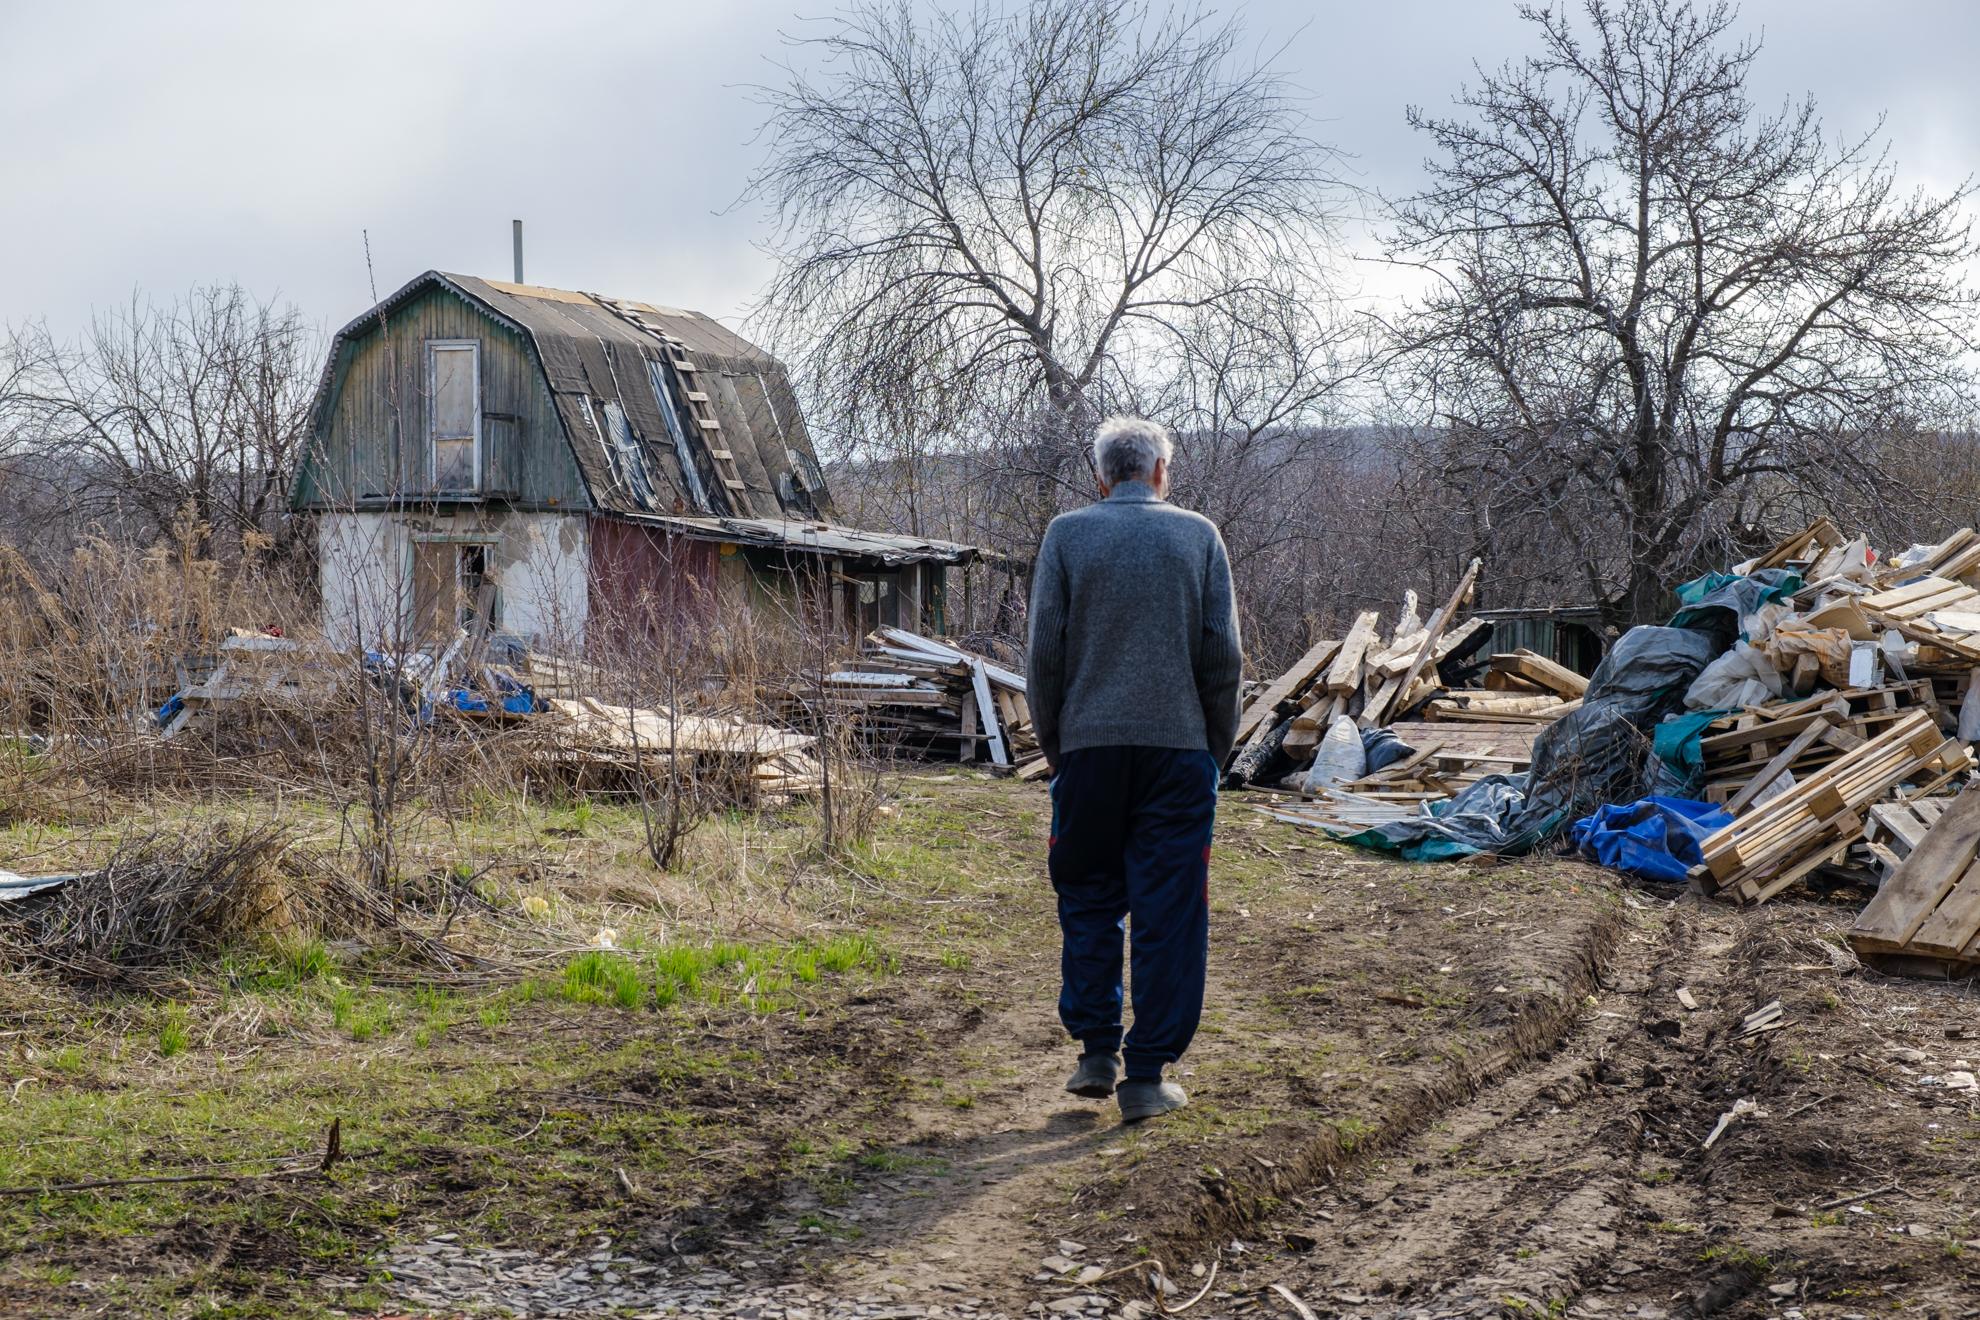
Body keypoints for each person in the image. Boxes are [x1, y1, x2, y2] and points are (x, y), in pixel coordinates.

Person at [1025, 416, 1243, 1122]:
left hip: (1088, 750)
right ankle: (1146, 1077)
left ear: (1101, 476)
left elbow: (1044, 659)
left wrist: (1059, 745)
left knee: (1088, 894)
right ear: (1158, 471)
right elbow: (1222, 659)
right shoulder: (1198, 536)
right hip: (1178, 754)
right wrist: (1214, 749)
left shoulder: (1067, 535)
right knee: (1168, 909)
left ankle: (1096, 1050)